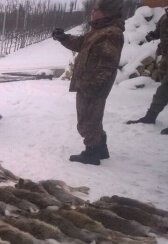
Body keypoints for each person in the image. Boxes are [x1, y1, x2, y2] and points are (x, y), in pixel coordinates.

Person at [52, 0, 124, 165]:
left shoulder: (111, 33)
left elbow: (107, 65)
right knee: (93, 118)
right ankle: (101, 149)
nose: (92, 12)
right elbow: (80, 43)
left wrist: (93, 86)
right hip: (89, 83)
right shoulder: (99, 30)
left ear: (107, 12)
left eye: (95, 10)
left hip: (92, 85)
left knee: (86, 121)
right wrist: (63, 38)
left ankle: (91, 153)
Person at [126, 7, 168, 135]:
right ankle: (150, 117)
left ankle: (151, 116)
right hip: (166, 58)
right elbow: (159, 31)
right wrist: (152, 35)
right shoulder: (165, 16)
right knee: (164, 89)